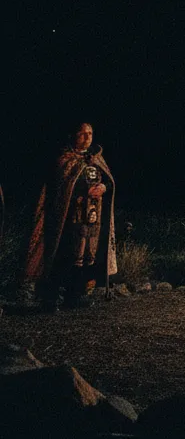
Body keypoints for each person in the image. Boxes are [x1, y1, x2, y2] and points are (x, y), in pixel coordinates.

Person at [24, 122, 117, 309]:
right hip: (69, 219)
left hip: (93, 218)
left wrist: (104, 187)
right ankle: (51, 297)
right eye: (82, 133)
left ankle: (76, 295)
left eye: (90, 133)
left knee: (87, 256)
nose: (87, 137)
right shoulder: (65, 159)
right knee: (66, 255)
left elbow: (108, 180)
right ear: (73, 135)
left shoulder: (97, 158)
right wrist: (83, 190)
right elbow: (61, 187)